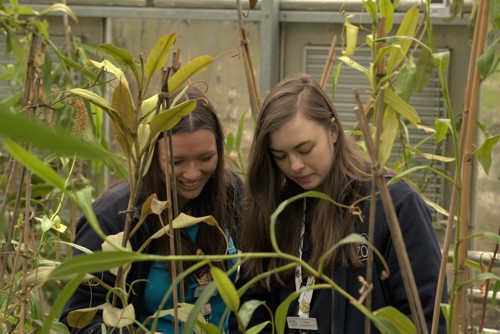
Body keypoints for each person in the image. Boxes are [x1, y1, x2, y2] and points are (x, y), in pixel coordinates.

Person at [230, 74, 447, 333]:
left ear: (333, 130)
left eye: (305, 149)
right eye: (281, 156)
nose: (295, 165)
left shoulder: (392, 203)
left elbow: (425, 315)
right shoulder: (278, 210)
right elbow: (254, 310)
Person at [60, 86, 243, 333]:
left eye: (205, 158)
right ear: (152, 155)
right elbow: (78, 318)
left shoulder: (234, 196)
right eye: (177, 162)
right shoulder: (115, 219)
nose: (192, 173)